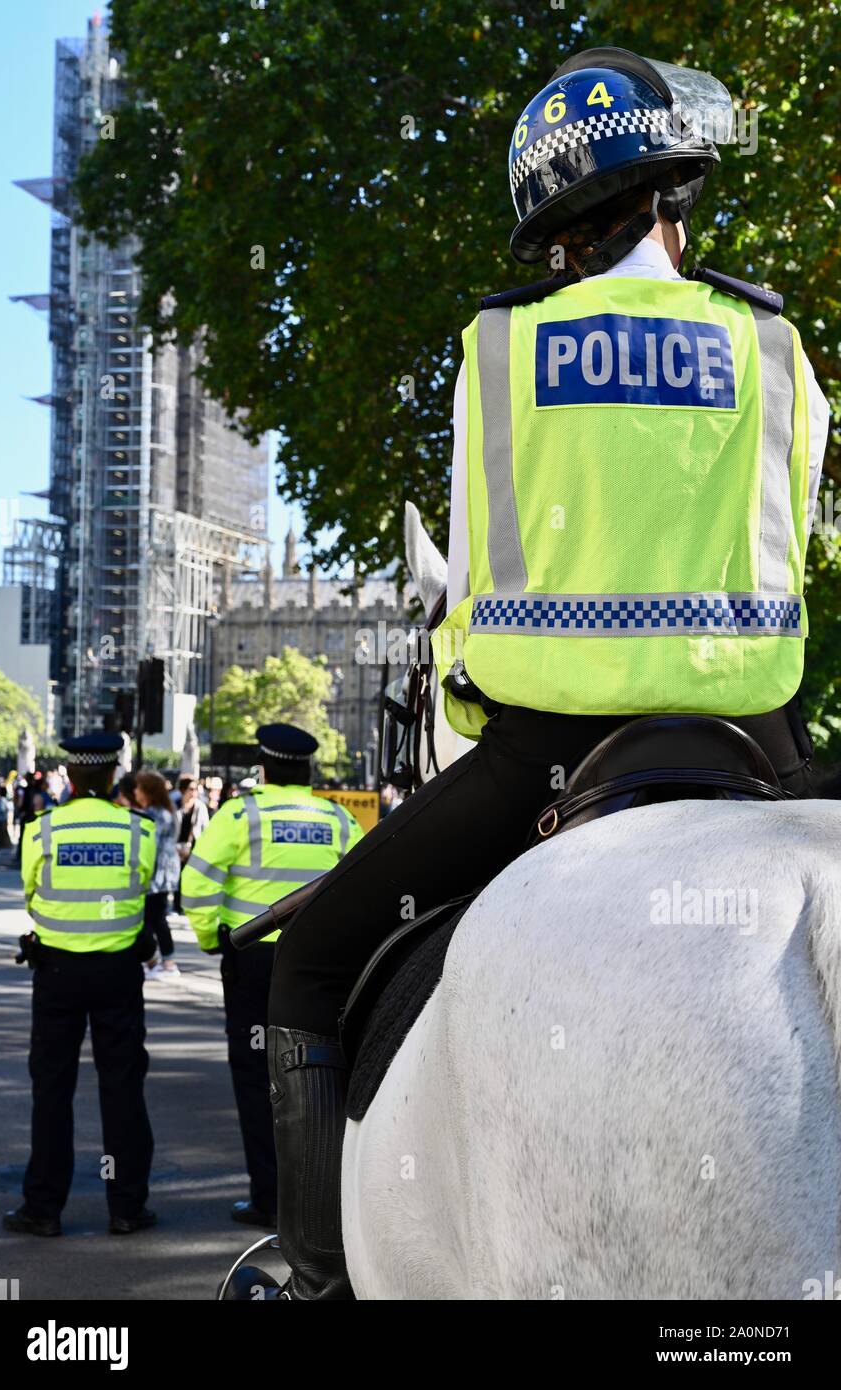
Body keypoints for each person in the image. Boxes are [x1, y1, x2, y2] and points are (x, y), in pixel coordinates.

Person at [260, 47, 831, 1299]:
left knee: (306, 962)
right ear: (675, 197)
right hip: (766, 743)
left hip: (548, 751)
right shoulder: (778, 346)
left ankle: (310, 1270)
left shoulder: (503, 348)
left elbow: (470, 588)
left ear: (561, 227)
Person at [181, 724, 364, 1229]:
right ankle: (327, 1200)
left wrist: (210, 938)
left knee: (259, 1079)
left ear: (264, 767)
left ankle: (271, 1200)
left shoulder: (240, 815)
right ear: (308, 769)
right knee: (323, 1075)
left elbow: (196, 885)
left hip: (254, 962)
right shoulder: (338, 818)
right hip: (323, 964)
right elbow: (364, 885)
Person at [3, 733, 157, 1237]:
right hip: (118, 974)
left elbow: (31, 893)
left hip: (57, 975)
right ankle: (126, 1208)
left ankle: (44, 1207)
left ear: (69, 777)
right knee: (122, 1090)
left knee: (52, 1091)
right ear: (115, 777)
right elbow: (143, 886)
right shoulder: (140, 830)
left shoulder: (41, 830)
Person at [134, 770, 181, 978]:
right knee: (154, 918)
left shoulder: (154, 814)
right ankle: (158, 960)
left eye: (139, 787)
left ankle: (164, 962)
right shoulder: (165, 811)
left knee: (153, 919)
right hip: (163, 873)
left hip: (156, 874)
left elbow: (148, 846)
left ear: (148, 791)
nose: (135, 791)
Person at [174, 776, 208, 913]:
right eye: (191, 789)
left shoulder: (200, 807)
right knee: (177, 877)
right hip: (176, 847)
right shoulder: (174, 806)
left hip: (194, 847)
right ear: (183, 790)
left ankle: (188, 904)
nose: (195, 792)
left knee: (190, 877)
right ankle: (177, 905)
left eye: (196, 789)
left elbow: (206, 829)